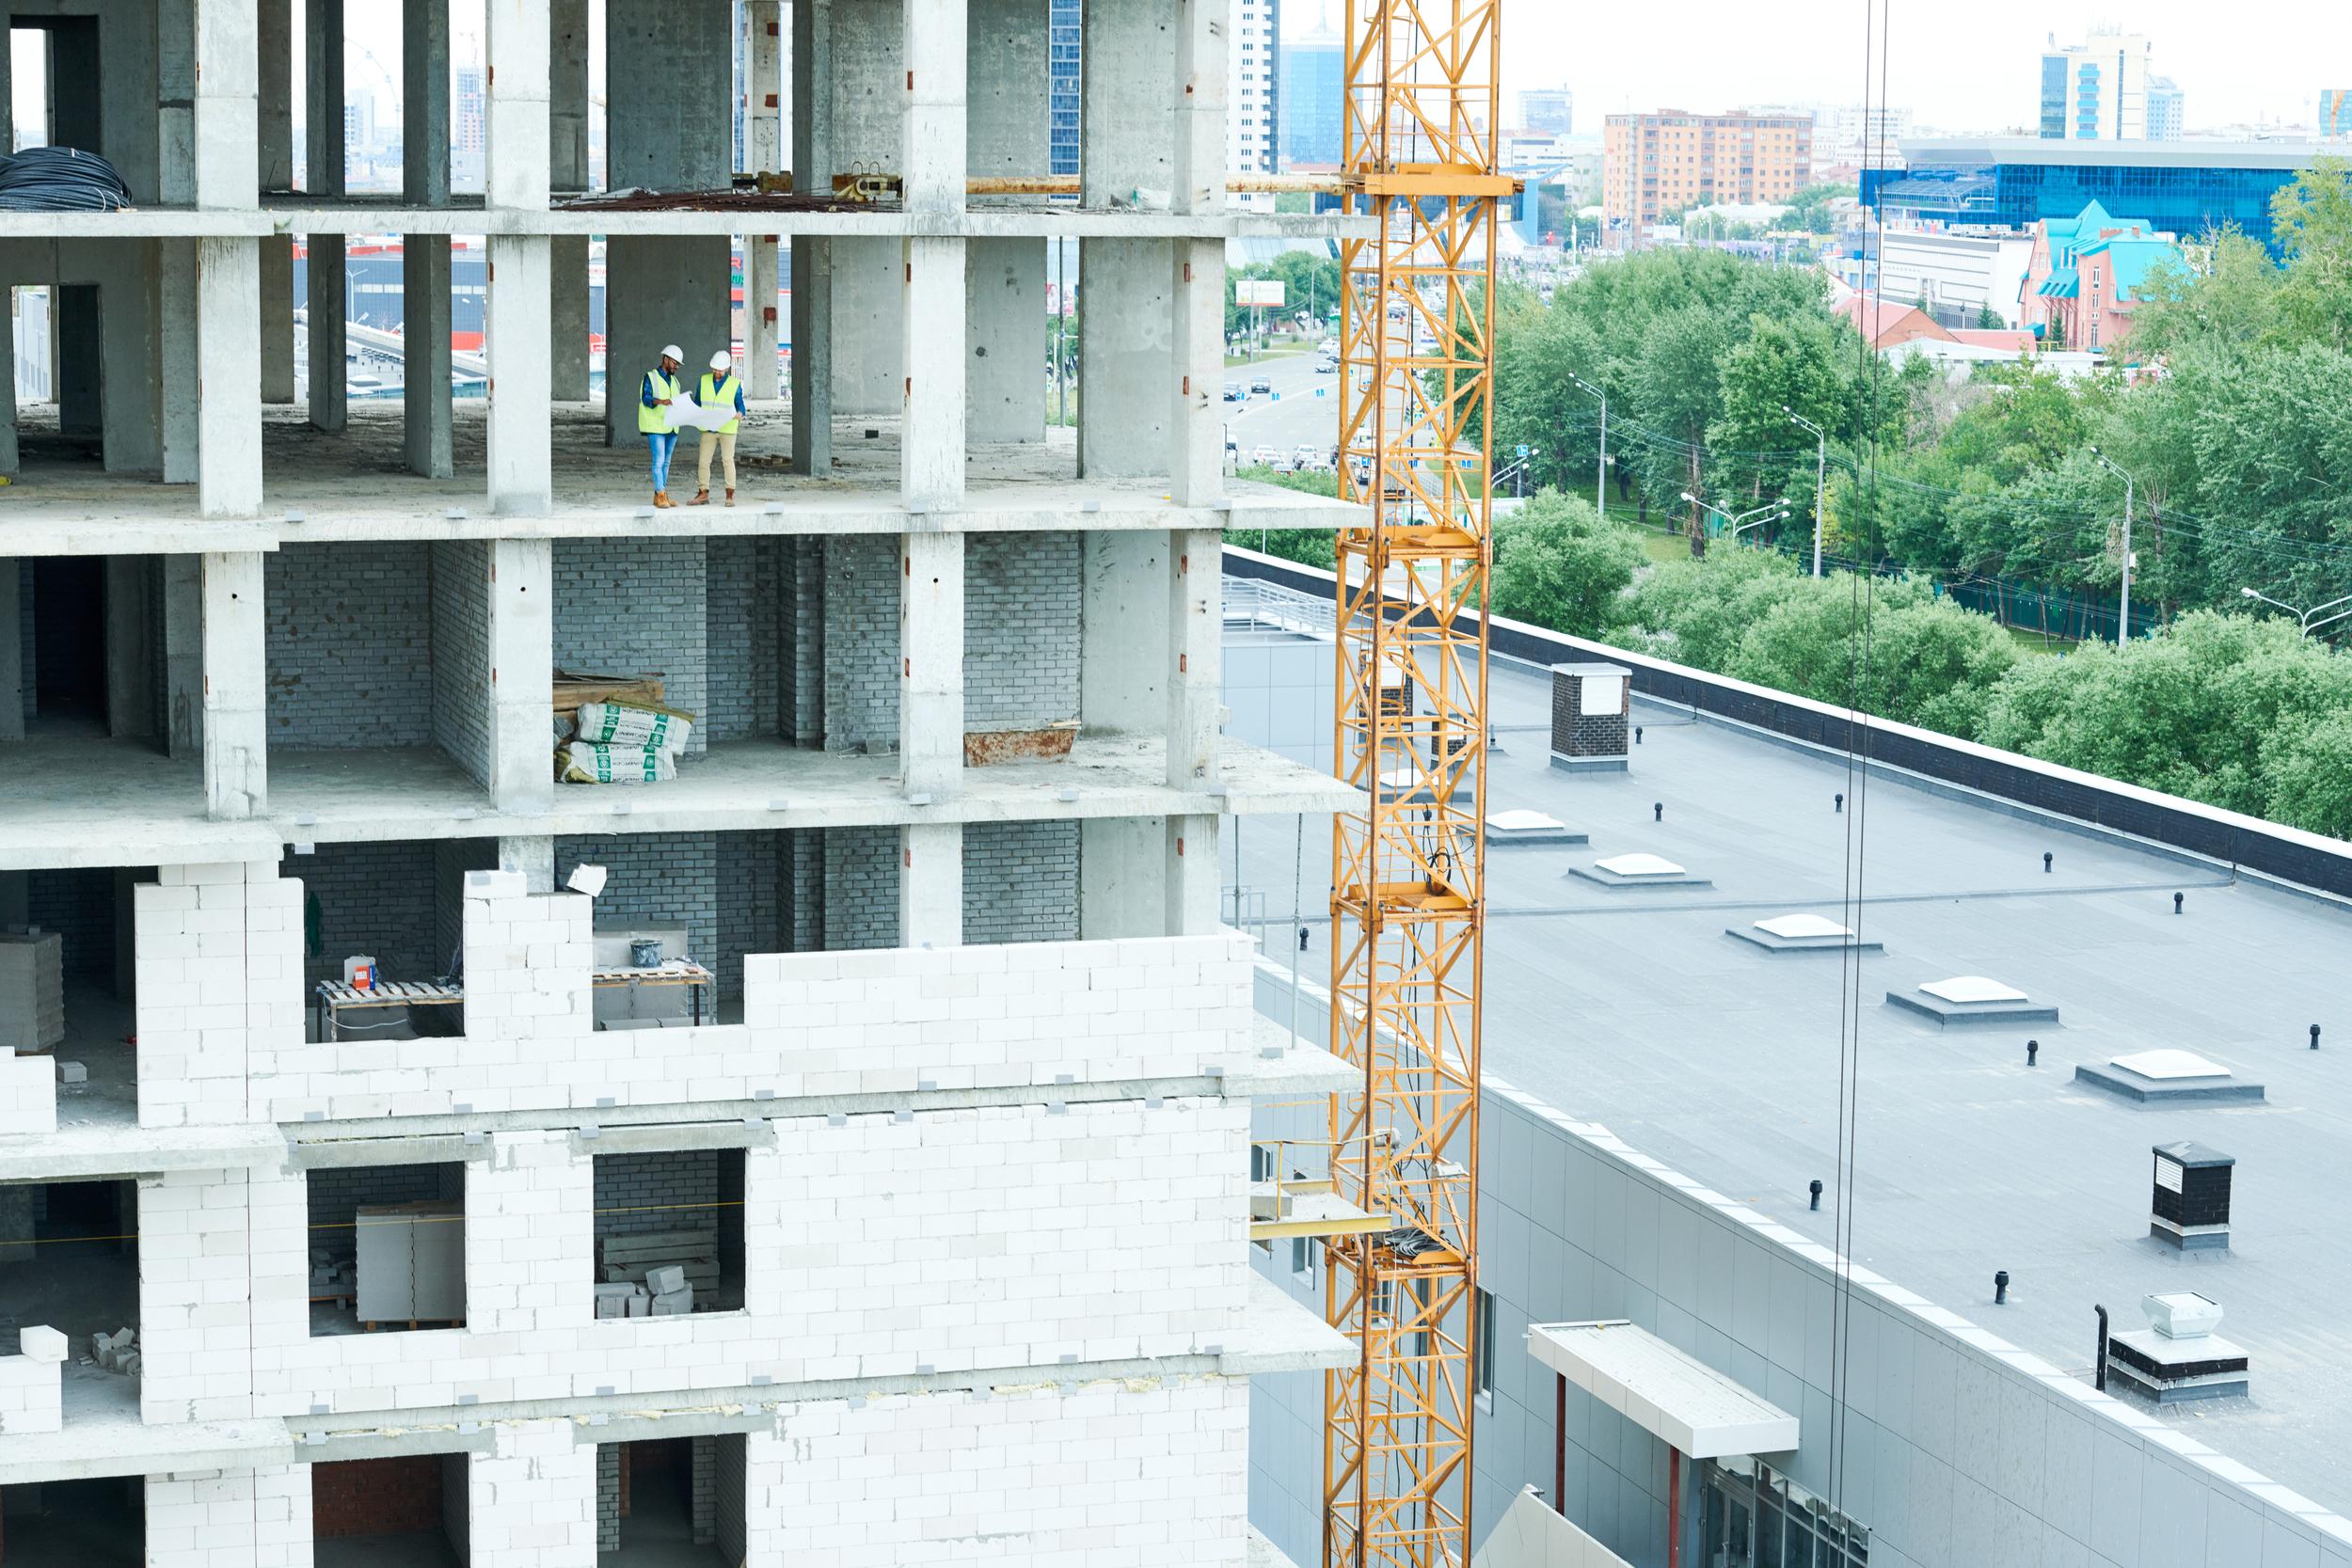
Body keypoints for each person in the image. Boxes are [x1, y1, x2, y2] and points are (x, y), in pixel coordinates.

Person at [689, 348, 746, 507]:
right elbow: (698, 403)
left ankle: (729, 495)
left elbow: (740, 405)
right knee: (703, 461)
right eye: (714, 369)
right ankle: (703, 493)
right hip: (708, 428)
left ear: (727, 368)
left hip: (727, 429)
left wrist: (740, 413)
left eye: (720, 370)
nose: (716, 372)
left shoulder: (734, 384)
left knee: (727, 460)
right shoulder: (704, 380)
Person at [640, 344, 685, 508]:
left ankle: (661, 494)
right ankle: (660, 494)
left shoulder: (675, 381)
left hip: (672, 427)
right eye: (674, 363)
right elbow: (646, 398)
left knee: (666, 462)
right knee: (658, 461)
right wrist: (662, 402)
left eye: (678, 364)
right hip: (656, 426)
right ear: (665, 359)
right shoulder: (650, 377)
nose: (676, 367)